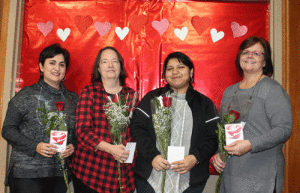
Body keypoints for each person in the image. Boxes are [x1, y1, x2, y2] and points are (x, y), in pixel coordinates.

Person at [212, 36, 293, 193]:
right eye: (246, 52)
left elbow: (284, 129)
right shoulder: (229, 91)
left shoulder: (272, 89)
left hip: (262, 178)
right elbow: (223, 131)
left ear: (264, 62)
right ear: (239, 58)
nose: (250, 56)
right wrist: (218, 154)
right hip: (231, 176)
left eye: (257, 53)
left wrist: (251, 144)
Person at [130, 52, 219, 193]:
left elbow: (213, 137)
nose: (175, 72)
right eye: (170, 68)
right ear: (165, 74)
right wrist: (152, 155)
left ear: (191, 71)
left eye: (180, 67)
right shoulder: (152, 98)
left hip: (190, 182)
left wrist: (195, 158)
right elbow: (137, 128)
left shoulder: (204, 104)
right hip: (150, 179)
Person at [2, 43, 78, 193]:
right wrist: (35, 146)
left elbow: (76, 132)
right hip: (27, 172)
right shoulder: (27, 94)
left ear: (65, 71)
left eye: (61, 64)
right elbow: (8, 129)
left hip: (59, 172)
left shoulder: (73, 99)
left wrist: (73, 146)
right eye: (52, 62)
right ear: (41, 67)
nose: (57, 68)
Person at [71, 46, 137, 193]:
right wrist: (111, 149)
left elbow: (137, 131)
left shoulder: (132, 96)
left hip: (123, 174)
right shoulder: (89, 92)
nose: (110, 65)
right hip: (91, 172)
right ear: (99, 68)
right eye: (105, 61)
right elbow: (82, 131)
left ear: (120, 66)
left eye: (115, 61)